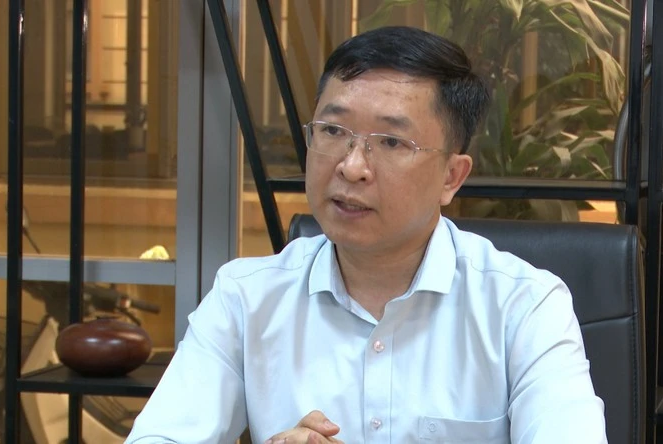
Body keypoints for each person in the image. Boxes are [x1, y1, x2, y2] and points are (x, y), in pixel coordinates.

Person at [125, 26, 607, 444]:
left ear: (451, 177)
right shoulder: (246, 300)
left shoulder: (524, 308)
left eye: (391, 141)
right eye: (333, 131)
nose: (351, 166)